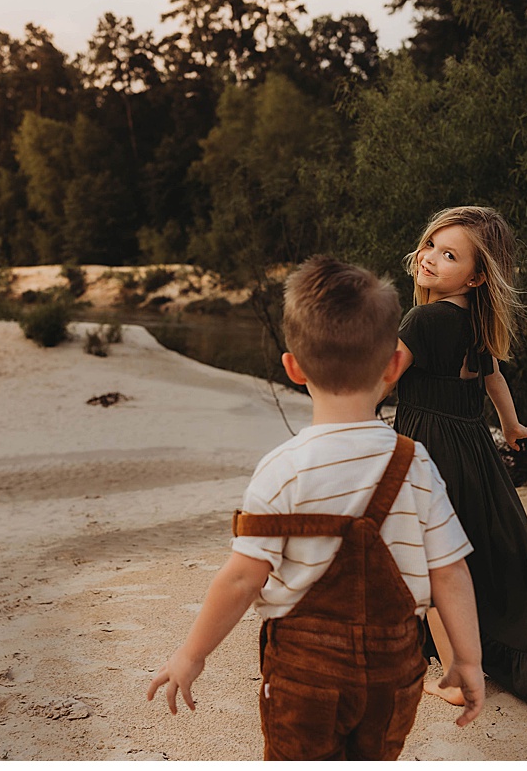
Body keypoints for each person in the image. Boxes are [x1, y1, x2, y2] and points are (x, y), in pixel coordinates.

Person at [147, 256, 484, 760]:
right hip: (394, 670)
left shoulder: (283, 467)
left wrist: (190, 655)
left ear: (293, 367)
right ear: (394, 365)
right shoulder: (414, 463)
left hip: (305, 671)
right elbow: (450, 571)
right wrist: (467, 660)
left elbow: (242, 578)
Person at [389, 206, 527, 705]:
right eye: (432, 244)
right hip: (473, 449)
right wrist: (512, 425)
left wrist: (341, 408)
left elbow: (384, 377)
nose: (431, 257)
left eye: (449, 254)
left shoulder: (424, 318)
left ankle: (455, 675)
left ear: (477, 276)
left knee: (428, 556)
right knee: (472, 545)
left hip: (428, 450)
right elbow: (492, 376)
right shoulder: (473, 319)